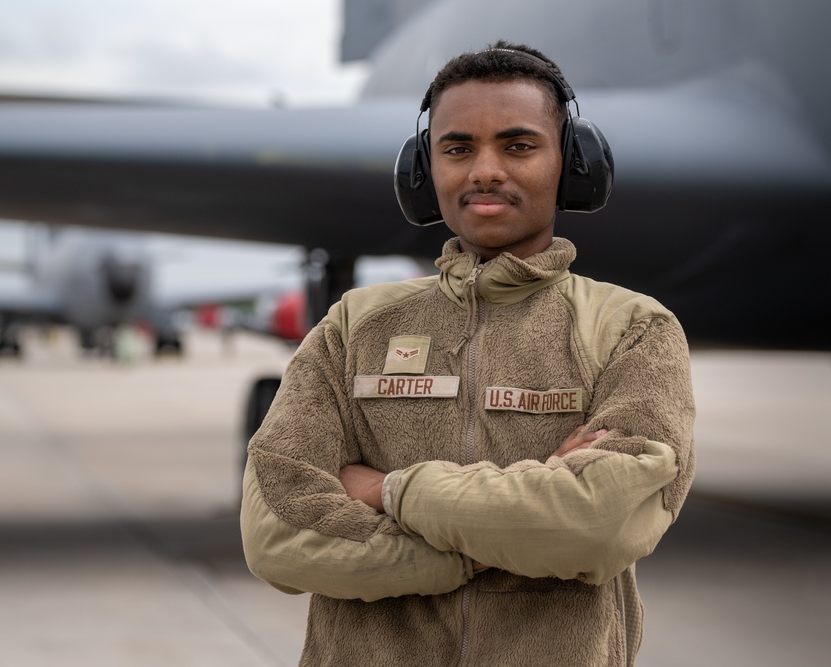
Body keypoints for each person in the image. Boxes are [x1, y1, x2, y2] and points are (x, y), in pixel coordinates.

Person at [240, 40, 695, 667]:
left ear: (573, 162)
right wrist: (488, 546)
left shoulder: (632, 329)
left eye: (519, 145)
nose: (485, 170)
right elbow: (277, 533)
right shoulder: (355, 326)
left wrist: (389, 492)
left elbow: (599, 527)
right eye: (457, 149)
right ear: (425, 173)